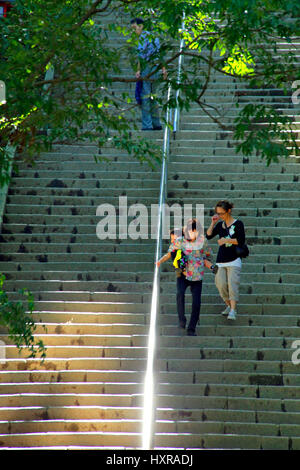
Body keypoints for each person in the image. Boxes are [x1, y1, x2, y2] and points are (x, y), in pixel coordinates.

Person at [157, 219, 213, 336]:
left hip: (197, 276)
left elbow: (208, 255)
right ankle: (182, 320)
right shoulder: (179, 241)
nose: (192, 233)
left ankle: (191, 328)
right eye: (190, 231)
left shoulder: (203, 241)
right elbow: (170, 253)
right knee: (180, 293)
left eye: (195, 231)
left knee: (196, 303)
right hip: (182, 274)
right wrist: (160, 261)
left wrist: (209, 264)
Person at [206, 200, 246, 321]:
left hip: (234, 260)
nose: (220, 215)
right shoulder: (220, 225)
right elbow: (208, 235)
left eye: (222, 213)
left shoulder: (238, 224)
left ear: (228, 211)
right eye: (218, 213)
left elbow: (241, 241)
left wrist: (226, 240)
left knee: (233, 285)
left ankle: (233, 310)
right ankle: (228, 305)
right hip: (220, 261)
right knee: (221, 284)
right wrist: (213, 223)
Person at [130, 17, 167, 131]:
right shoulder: (153, 36)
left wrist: (138, 70)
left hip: (148, 68)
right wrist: (163, 69)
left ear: (141, 26)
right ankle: (156, 123)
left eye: (134, 28)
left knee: (145, 96)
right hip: (156, 68)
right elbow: (160, 53)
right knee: (153, 96)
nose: (134, 31)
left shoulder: (143, 37)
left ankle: (147, 125)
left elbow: (141, 56)